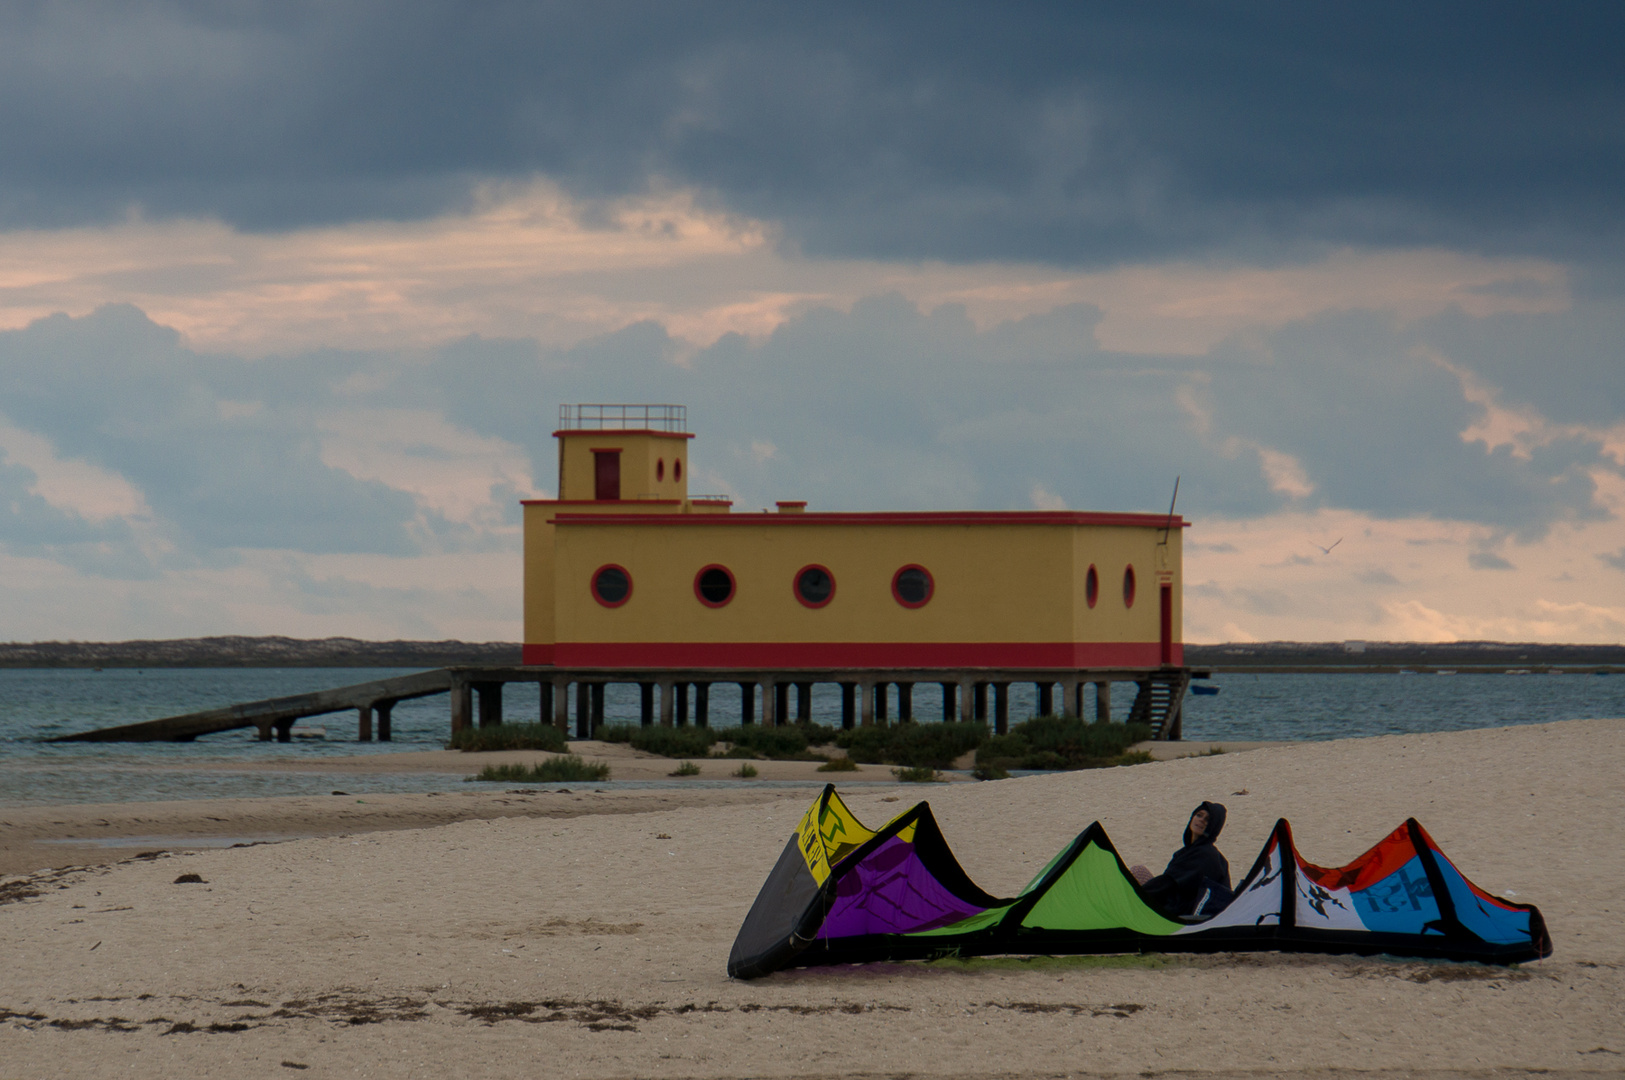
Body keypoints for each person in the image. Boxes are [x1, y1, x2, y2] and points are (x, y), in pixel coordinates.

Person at [1129, 802, 1232, 921]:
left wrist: (1134, 894)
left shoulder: (1206, 855)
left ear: (1213, 826)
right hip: (1175, 900)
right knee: (1138, 871)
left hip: (1185, 913)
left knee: (1133, 888)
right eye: (1199, 815)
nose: (1201, 820)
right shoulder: (1188, 851)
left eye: (1208, 819)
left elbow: (1169, 882)